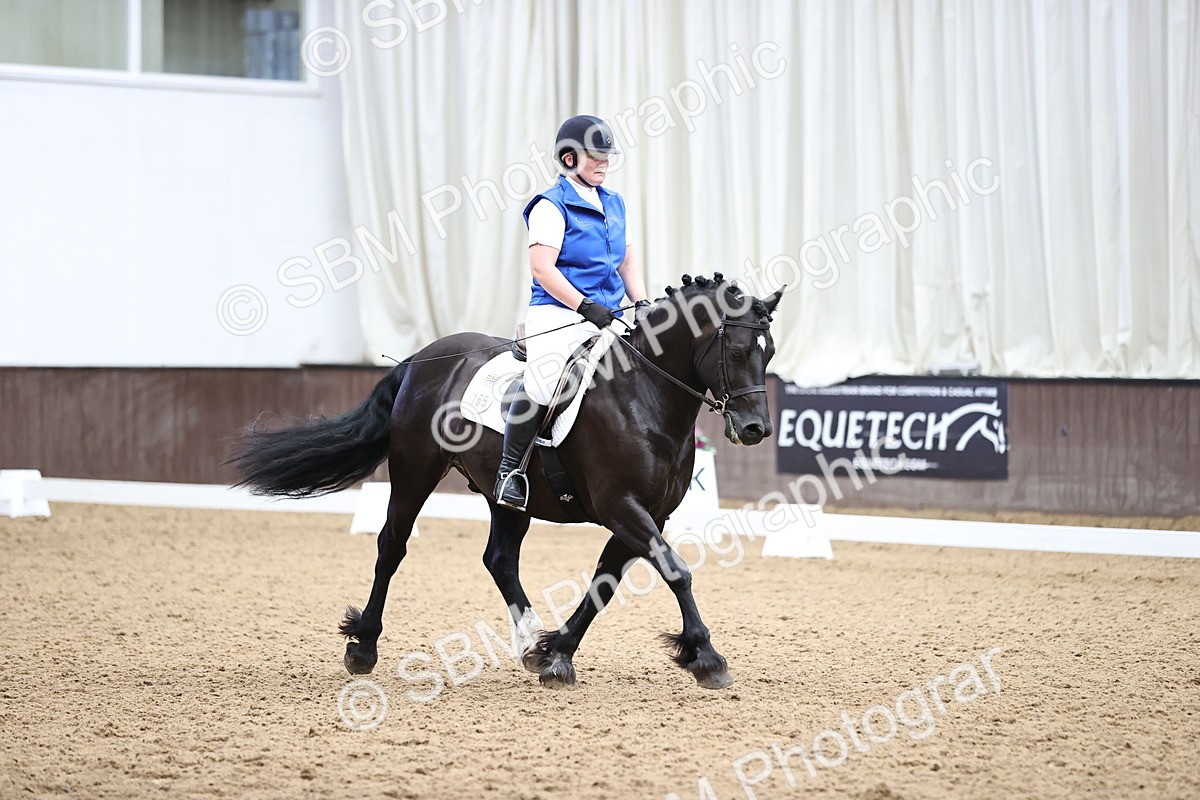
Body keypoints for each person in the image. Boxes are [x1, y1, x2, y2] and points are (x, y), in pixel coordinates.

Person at [495, 115, 650, 511]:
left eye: (607, 157)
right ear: (569, 158)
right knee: (545, 383)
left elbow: (628, 263)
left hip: (611, 313)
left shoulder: (615, 203)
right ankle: (509, 472)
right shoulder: (551, 206)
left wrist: (643, 303)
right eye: (596, 156)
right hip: (558, 313)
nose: (604, 163)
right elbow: (542, 269)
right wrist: (583, 305)